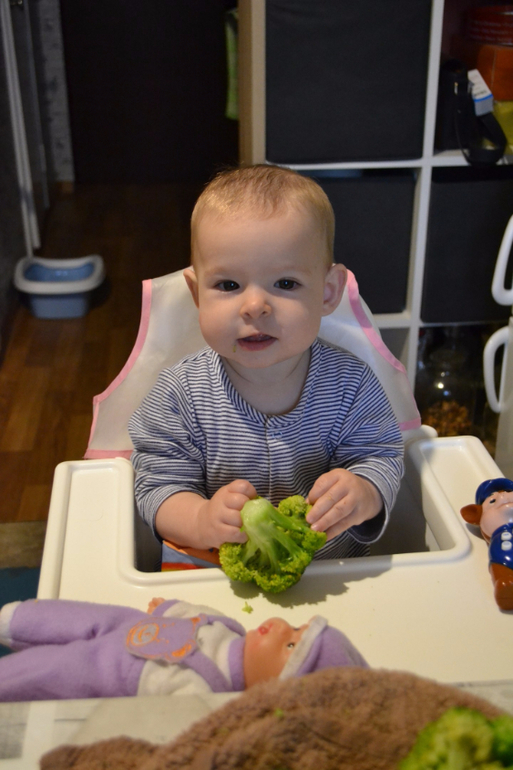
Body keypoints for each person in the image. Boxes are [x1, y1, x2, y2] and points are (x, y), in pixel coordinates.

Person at [128, 164, 404, 561]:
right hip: (215, 576)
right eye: (228, 285)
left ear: (327, 292)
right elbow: (156, 486)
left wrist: (364, 492)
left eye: (285, 283)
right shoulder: (179, 395)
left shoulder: (351, 384)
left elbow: (382, 457)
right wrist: (199, 519)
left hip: (334, 574)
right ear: (197, 293)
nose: (255, 306)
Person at [0, 597, 367, 702]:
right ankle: (17, 620)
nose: (285, 627)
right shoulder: (233, 630)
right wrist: (170, 607)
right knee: (87, 616)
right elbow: (202, 617)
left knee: (60, 669)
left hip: (114, 670)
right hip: (134, 624)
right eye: (298, 627)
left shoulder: (208, 693)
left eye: (290, 645)